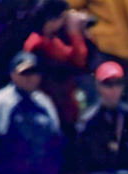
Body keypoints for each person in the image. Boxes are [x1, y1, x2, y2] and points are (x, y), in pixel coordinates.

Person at [22, 0, 92, 129]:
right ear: (53, 19)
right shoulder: (39, 43)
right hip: (55, 104)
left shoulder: (50, 40)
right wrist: (74, 33)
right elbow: (78, 60)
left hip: (61, 103)